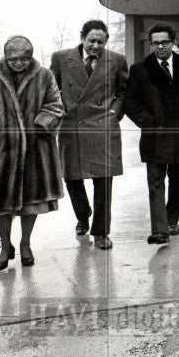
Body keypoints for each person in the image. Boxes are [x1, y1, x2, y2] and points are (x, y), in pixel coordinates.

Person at [0, 35, 64, 271]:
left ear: (31, 56)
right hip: (0, 150)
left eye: (24, 58)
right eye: (14, 59)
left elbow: (55, 104)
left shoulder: (44, 76)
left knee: (31, 202)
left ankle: (25, 244)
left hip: (35, 149)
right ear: (5, 55)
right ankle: (4, 246)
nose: (19, 63)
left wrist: (42, 124)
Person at [123, 22, 179, 245]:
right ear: (151, 45)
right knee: (155, 181)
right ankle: (160, 230)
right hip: (155, 136)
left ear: (173, 42)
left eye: (165, 42)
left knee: (176, 181)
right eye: (155, 43)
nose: (160, 46)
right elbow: (130, 102)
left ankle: (172, 220)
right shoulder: (140, 69)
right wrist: (147, 122)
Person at [49, 19, 129, 250]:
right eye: (91, 40)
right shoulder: (61, 58)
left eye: (100, 42)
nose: (95, 46)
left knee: (103, 180)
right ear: (82, 37)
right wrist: (59, 111)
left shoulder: (117, 60)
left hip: (102, 125)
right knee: (72, 177)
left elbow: (124, 93)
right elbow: (52, 90)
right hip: (71, 125)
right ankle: (83, 215)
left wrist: (114, 113)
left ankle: (102, 232)